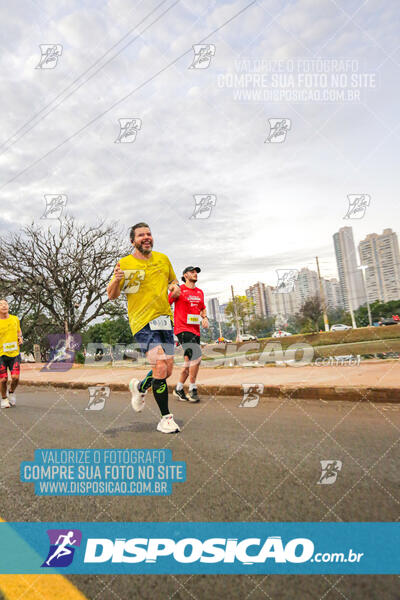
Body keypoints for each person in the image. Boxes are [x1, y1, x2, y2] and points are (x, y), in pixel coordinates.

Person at [107, 223, 181, 433]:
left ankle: (139, 387)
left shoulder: (163, 258)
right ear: (133, 241)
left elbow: (172, 280)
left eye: (149, 234)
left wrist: (174, 287)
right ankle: (166, 418)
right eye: (141, 235)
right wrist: (117, 281)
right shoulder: (125, 263)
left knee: (166, 370)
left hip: (165, 319)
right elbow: (111, 295)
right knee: (159, 366)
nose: (146, 237)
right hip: (142, 322)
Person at [169, 266, 208, 402]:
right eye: (192, 272)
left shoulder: (199, 292)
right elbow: (167, 302)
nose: (195, 274)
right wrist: (172, 290)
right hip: (182, 328)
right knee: (196, 356)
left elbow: (202, 308)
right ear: (185, 275)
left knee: (188, 361)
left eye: (196, 272)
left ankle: (179, 388)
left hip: (195, 329)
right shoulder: (180, 289)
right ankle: (192, 388)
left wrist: (205, 318)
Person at [0, 300, 23, 408]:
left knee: (15, 378)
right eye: (0, 305)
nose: (3, 306)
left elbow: (19, 331)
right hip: (1, 355)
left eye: (5, 304)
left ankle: (11, 392)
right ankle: (4, 399)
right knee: (3, 379)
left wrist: (20, 338)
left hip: (14, 353)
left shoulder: (15, 319)